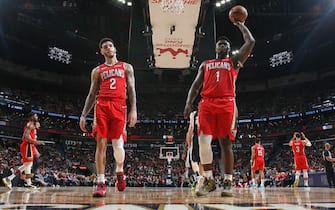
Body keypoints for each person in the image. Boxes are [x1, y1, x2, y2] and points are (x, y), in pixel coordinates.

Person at [183, 20, 255, 197]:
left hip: (227, 103)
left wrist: (240, 24)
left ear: (229, 49)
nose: (222, 45)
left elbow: (251, 42)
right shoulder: (205, 64)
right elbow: (195, 85)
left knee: (225, 143)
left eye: (225, 44)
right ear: (216, 47)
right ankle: (208, 179)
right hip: (206, 104)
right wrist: (188, 103)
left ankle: (228, 181)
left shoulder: (234, 62)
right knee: (203, 141)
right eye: (220, 43)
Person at [79, 37, 137, 197]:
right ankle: (101, 182)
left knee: (118, 145)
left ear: (115, 48)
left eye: (111, 45)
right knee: (101, 143)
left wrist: (134, 110)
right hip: (102, 105)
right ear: (102, 51)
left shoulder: (126, 67)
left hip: (120, 105)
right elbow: (91, 94)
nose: (109, 48)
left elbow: (131, 90)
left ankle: (119, 171)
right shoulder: (97, 71)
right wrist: (84, 114)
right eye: (105, 47)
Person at [2, 112, 44, 190]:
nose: (36, 116)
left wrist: (35, 150)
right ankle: (9, 178)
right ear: (31, 117)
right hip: (27, 146)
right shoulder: (30, 125)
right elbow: (25, 137)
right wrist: (37, 142)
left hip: (29, 146)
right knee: (28, 164)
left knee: (28, 165)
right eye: (35, 115)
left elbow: (30, 139)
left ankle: (28, 184)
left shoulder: (33, 126)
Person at [183, 110, 204, 192]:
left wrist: (189, 145)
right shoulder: (208, 112)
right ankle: (200, 185)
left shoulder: (193, 114)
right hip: (205, 137)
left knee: (193, 160)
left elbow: (191, 128)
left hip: (196, 138)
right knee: (202, 162)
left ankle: (198, 176)